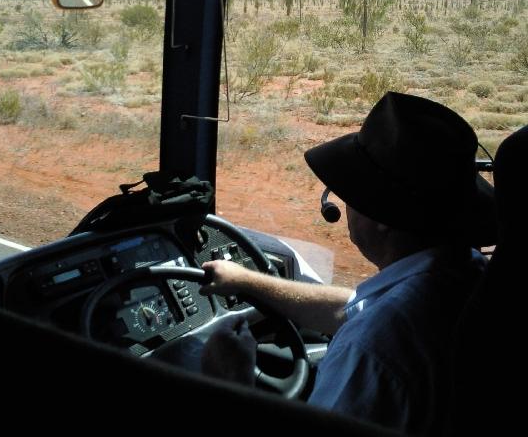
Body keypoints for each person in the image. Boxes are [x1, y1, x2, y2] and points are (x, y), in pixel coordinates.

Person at [199, 91, 497, 436]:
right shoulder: (464, 272)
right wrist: (246, 281)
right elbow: (357, 307)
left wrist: (230, 387)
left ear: (383, 215)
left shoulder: (373, 351)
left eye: (352, 191)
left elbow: (374, 322)